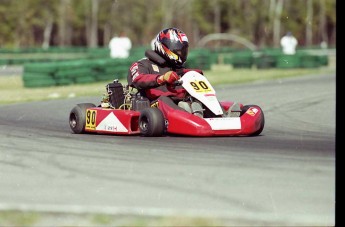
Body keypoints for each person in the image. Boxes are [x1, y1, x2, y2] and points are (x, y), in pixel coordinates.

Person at [127, 27, 240, 118]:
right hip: (154, 104)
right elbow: (138, 80)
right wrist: (162, 78)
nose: (182, 53)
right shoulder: (143, 64)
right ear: (165, 48)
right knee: (164, 100)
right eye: (179, 51)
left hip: (180, 101)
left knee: (196, 98)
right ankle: (192, 118)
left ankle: (220, 115)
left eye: (184, 50)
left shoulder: (177, 67)